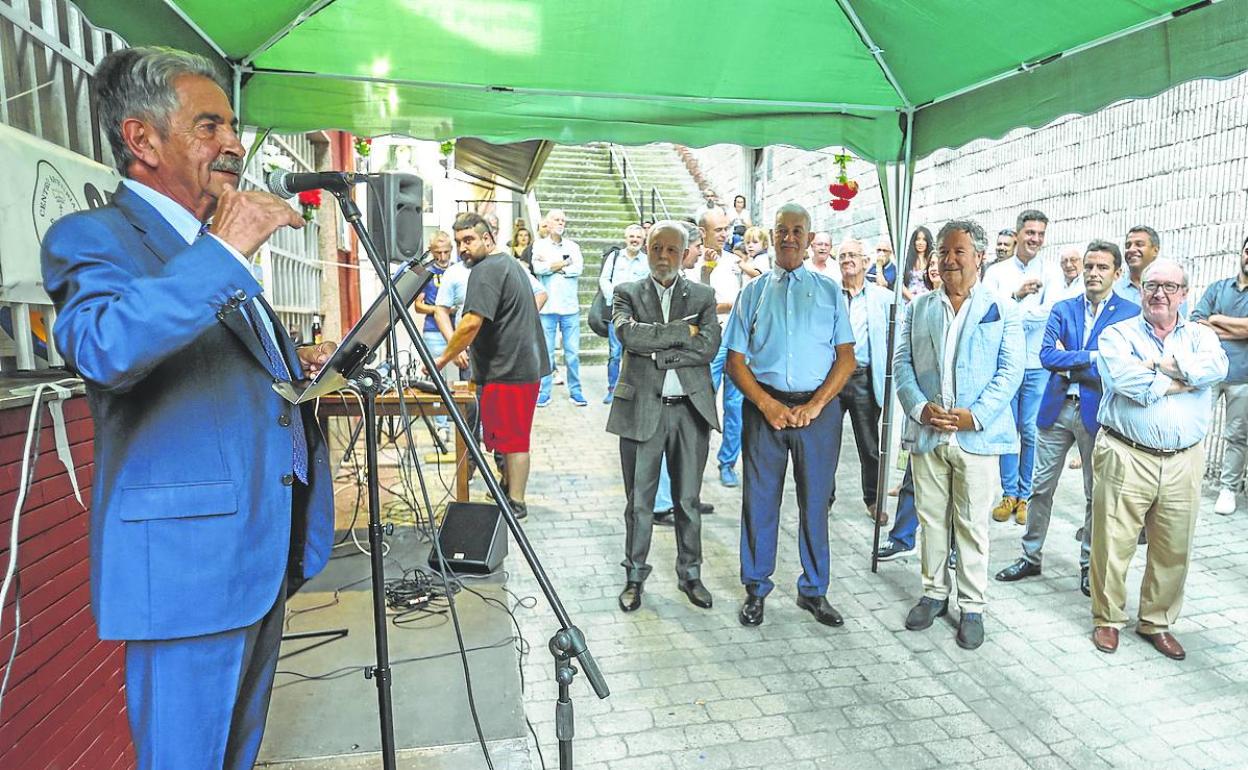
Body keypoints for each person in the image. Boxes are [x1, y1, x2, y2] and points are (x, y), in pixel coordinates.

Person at [40, 46, 338, 768]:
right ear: (141, 140)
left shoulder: (207, 247)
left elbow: (219, 368)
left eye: (232, 125)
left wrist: (295, 362)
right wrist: (228, 250)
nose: (234, 145)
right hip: (186, 572)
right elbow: (105, 345)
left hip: (259, 553)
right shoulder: (93, 238)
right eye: (210, 126)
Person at [894, 219, 1024, 650]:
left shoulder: (1002, 309)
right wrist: (920, 408)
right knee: (931, 520)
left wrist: (976, 416)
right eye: (942, 252)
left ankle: (972, 606)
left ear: (980, 257)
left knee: (971, 524)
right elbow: (903, 365)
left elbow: (1011, 372)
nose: (948, 260)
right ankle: (933, 593)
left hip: (976, 438)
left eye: (958, 252)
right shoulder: (919, 308)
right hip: (930, 433)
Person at [725, 203, 856, 628]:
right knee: (760, 502)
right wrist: (768, 405)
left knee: (815, 503)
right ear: (772, 234)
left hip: (818, 412)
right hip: (765, 409)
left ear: (809, 236)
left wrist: (816, 405)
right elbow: (735, 360)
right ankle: (756, 589)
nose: (789, 237)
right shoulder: (753, 292)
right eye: (782, 229)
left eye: (797, 230)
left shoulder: (829, 290)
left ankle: (814, 590)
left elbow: (846, 358)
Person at [1089, 259, 1228, 659]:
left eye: (1170, 286)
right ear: (1140, 290)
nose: (1159, 294)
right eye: (1152, 286)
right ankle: (1107, 619)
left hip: (1185, 459)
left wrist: (1159, 365)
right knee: (1112, 542)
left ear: (1185, 293)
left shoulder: (1202, 335)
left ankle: (1157, 621)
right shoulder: (1117, 334)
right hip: (1125, 453)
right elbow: (1124, 380)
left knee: (1173, 546)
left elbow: (1216, 367)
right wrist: (1184, 381)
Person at [994, 241, 1139, 595]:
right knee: (1040, 488)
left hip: (1097, 413)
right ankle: (1030, 556)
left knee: (1095, 494)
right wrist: (1092, 357)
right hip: (1057, 409)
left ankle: (1089, 566)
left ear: (1117, 274)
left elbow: (1117, 364)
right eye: (1089, 266)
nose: (1092, 273)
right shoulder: (1062, 308)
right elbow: (1046, 356)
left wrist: (1075, 358)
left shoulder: (1129, 314)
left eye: (1102, 267)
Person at [607, 221, 721, 612]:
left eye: (672, 250)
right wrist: (678, 333)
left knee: (687, 500)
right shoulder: (627, 293)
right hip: (641, 411)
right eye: (657, 248)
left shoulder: (703, 296)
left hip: (689, 412)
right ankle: (634, 577)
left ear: (685, 253)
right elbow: (629, 337)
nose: (663, 257)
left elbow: (707, 348)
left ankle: (691, 575)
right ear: (648, 250)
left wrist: (656, 352)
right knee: (638, 503)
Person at [432, 213, 551, 520]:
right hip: (519, 365)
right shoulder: (509, 263)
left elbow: (471, 322)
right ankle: (509, 489)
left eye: (469, 240)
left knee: (514, 439)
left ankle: (515, 502)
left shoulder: (486, 270)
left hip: (510, 369)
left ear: (487, 238)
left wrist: (443, 358)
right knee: (509, 437)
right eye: (459, 242)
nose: (463, 248)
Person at [982, 209, 1061, 526]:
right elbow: (989, 312)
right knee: (1005, 431)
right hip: (1004, 364)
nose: (1036, 240)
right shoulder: (997, 273)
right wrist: (1016, 296)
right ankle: (1008, 493)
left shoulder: (1052, 272)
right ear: (1017, 235)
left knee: (1029, 431)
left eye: (1041, 234)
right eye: (1030, 233)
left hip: (1036, 365)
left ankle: (1025, 496)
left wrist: (1010, 310)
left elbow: (1048, 313)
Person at [835, 239, 893, 523]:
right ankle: (824, 499)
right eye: (842, 256)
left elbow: (897, 336)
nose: (847, 260)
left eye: (852, 255)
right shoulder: (830, 294)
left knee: (870, 445)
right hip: (831, 379)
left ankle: (873, 500)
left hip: (863, 379)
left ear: (865, 262)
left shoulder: (883, 297)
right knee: (826, 444)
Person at [1191, 234, 1248, 515]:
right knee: (1194, 425)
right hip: (1210, 372)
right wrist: (1238, 330)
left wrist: (1216, 320)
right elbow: (1195, 320)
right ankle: (1188, 479)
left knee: (1237, 434)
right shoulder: (1218, 288)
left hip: (1243, 375)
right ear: (1241, 253)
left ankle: (1228, 489)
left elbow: (1208, 320)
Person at [703, 206, 746, 488]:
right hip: (710, 340)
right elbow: (697, 305)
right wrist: (727, 305)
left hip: (737, 339)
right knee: (704, 402)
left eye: (726, 228)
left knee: (736, 405)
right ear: (703, 232)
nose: (724, 234)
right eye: (718, 229)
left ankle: (728, 462)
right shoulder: (693, 260)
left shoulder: (733, 261)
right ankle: (694, 460)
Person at [532, 209, 586, 406]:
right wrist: (564, 264)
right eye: (557, 219)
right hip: (547, 308)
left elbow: (577, 269)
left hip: (570, 307)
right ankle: (543, 392)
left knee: (572, 353)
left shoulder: (573, 246)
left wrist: (553, 266)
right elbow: (539, 269)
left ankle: (576, 391)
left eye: (563, 220)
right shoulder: (539, 246)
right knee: (546, 353)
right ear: (548, 222)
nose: (560, 223)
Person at [600, 224, 652, 404]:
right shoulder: (615, 257)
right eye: (631, 236)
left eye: (638, 237)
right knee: (615, 353)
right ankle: (612, 389)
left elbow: (649, 285)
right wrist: (613, 299)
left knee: (635, 353)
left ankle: (632, 390)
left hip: (638, 315)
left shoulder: (647, 261)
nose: (634, 240)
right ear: (625, 238)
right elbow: (604, 279)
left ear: (643, 240)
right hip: (616, 313)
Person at [899, 226, 934, 302]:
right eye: (918, 239)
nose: (920, 243)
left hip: (928, 301)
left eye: (924, 240)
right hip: (910, 301)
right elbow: (900, 283)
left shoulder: (932, 260)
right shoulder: (906, 260)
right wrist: (913, 299)